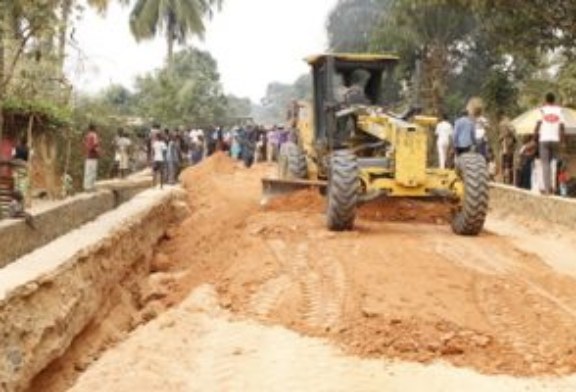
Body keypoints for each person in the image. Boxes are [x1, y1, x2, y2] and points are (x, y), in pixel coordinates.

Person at [534, 92, 566, 195]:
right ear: (554, 100)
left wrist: (535, 138)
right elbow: (562, 127)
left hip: (544, 140)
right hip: (556, 140)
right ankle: (557, 188)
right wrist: (562, 141)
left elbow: (538, 125)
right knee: (556, 164)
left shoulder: (542, 110)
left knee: (545, 164)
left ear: (546, 100)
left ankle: (548, 189)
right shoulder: (559, 110)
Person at [499, 119, 517, 185]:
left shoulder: (509, 136)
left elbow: (514, 141)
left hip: (508, 152)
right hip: (506, 151)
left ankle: (508, 179)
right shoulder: (505, 136)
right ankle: (506, 179)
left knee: (507, 165)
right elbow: (515, 140)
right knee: (506, 165)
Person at [83, 124, 100, 192]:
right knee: (93, 171)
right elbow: (95, 145)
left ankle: (86, 187)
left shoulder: (87, 135)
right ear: (94, 128)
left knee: (87, 172)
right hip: (93, 156)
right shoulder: (94, 135)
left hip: (88, 155)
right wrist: (98, 152)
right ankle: (92, 187)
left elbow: (85, 144)